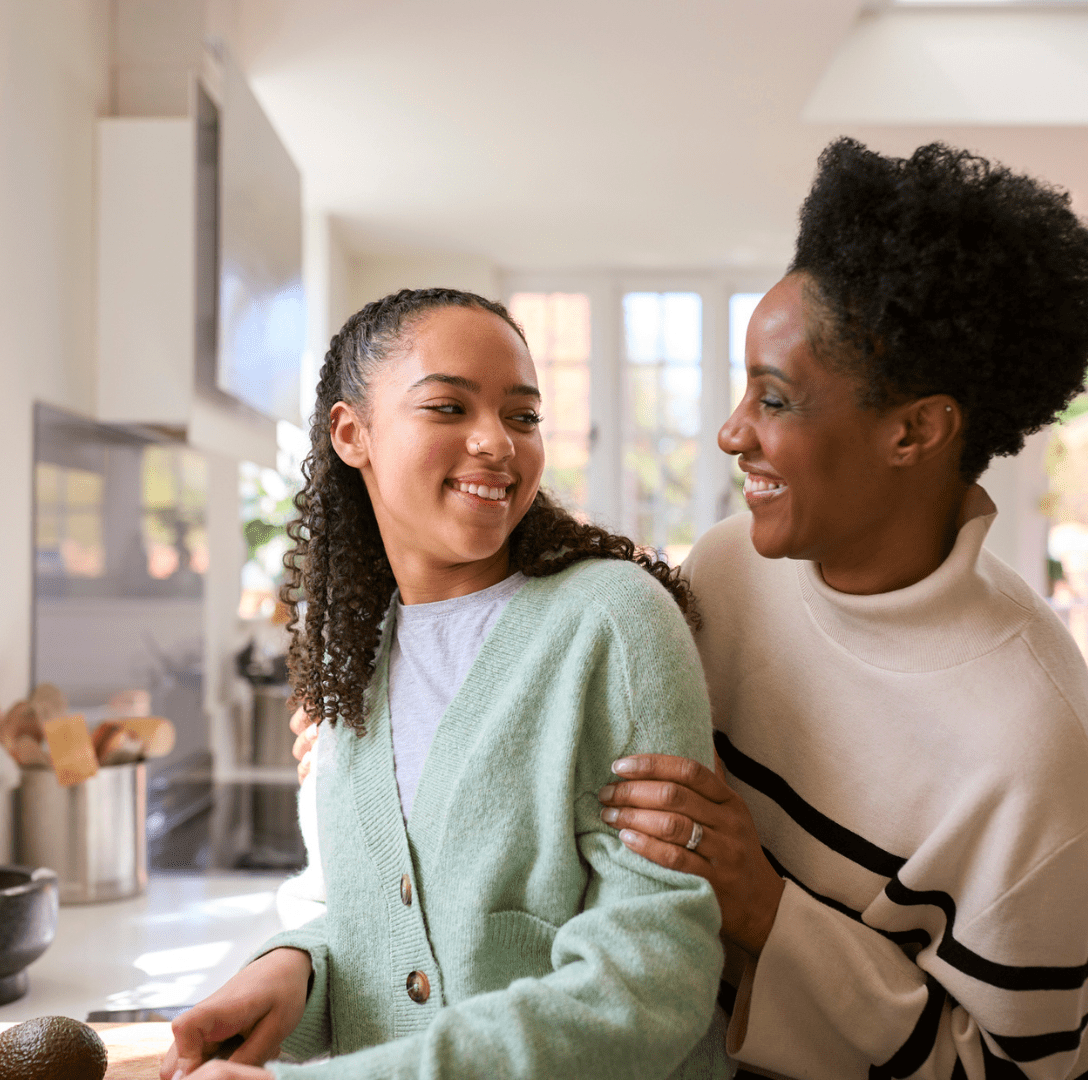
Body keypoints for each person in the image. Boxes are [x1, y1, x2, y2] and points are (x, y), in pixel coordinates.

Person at [596, 140, 1088, 1080]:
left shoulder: (1042, 765)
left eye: (774, 398)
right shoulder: (731, 568)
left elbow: (1010, 1070)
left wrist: (766, 906)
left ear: (915, 430)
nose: (734, 433)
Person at [162, 288, 731, 1080]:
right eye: (448, 408)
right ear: (352, 433)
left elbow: (648, 983)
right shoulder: (351, 664)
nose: (496, 442)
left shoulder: (610, 622)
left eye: (523, 416)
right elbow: (368, 923)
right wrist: (292, 972)